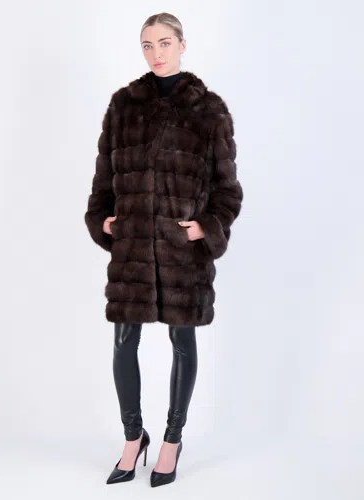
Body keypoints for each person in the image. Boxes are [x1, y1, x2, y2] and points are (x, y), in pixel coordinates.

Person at [84, 12, 243, 487]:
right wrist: (102, 219)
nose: (156, 53)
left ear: (182, 45)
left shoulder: (209, 111)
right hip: (132, 249)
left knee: (182, 341)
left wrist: (205, 228)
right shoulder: (122, 107)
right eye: (148, 45)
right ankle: (134, 437)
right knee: (123, 342)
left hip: (181, 252)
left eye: (165, 43)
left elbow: (228, 190)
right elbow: (102, 181)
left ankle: (172, 440)